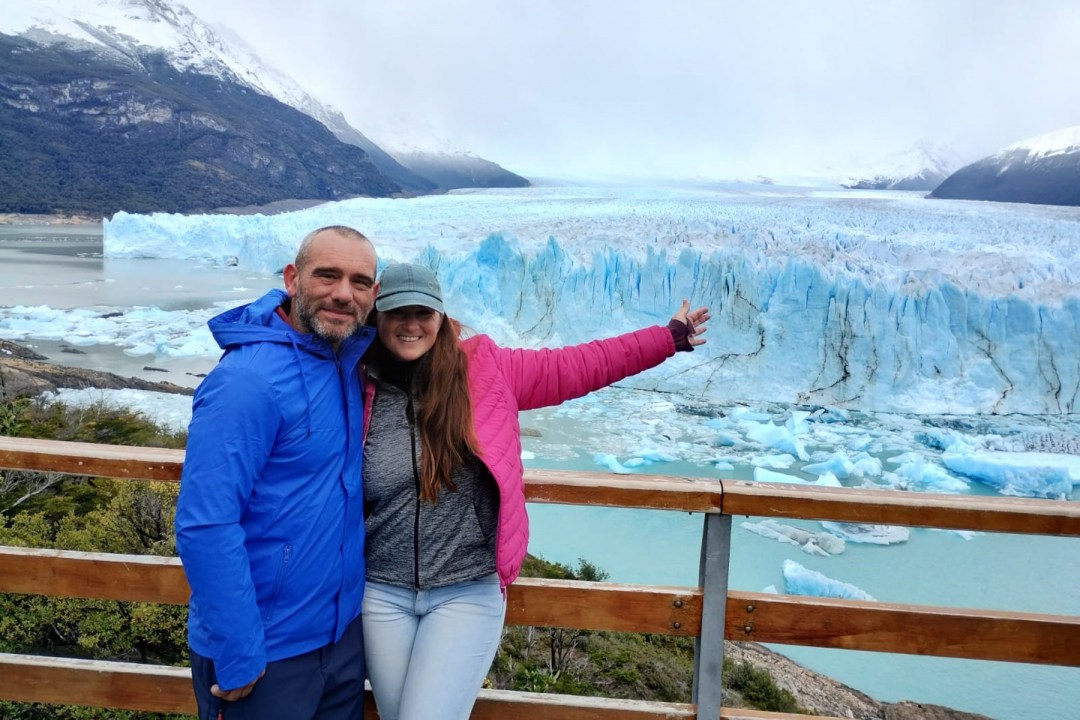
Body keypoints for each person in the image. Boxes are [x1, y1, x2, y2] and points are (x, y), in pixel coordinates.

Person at [360, 262, 710, 720]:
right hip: (380, 592)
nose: (410, 325)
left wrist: (668, 338)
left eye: (422, 313)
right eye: (397, 313)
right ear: (378, 316)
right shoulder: (357, 383)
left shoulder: (487, 369)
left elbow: (579, 365)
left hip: (466, 590)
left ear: (441, 317)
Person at [175, 225, 379, 720]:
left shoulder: (344, 361)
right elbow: (206, 522)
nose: (343, 293)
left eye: (359, 282)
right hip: (265, 652)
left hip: (338, 642)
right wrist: (240, 650)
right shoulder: (247, 381)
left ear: (374, 294)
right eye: (327, 275)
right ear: (292, 278)